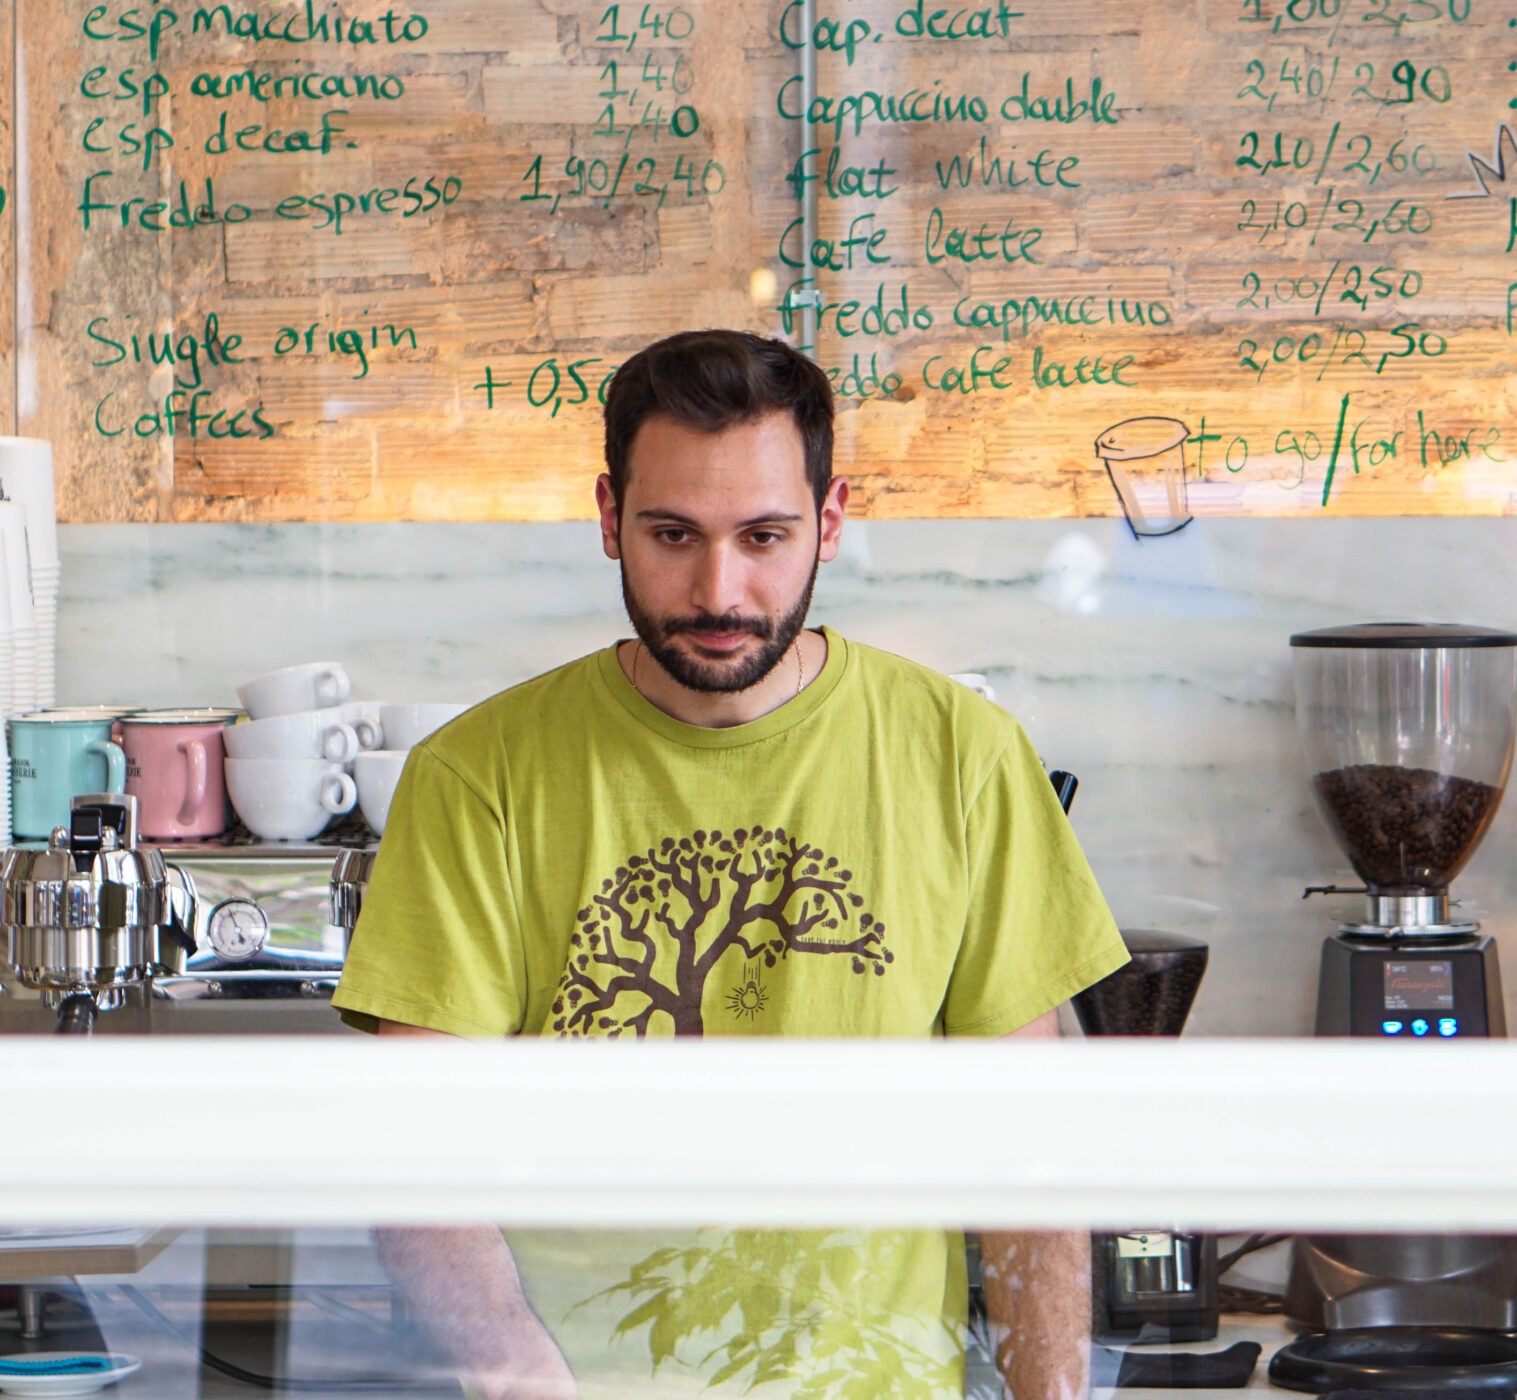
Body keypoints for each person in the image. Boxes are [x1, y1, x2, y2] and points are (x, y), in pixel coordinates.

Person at [334, 329, 1128, 1400]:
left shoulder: (963, 756)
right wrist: (526, 1379)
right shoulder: (477, 776)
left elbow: (1029, 1156)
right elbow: (415, 1151)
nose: (720, 590)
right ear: (609, 517)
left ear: (831, 521)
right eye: (673, 534)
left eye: (764, 536)